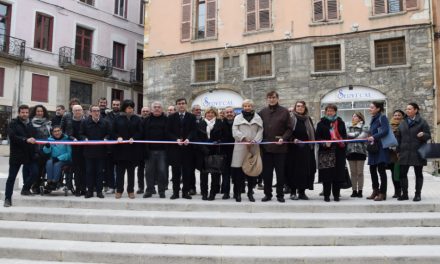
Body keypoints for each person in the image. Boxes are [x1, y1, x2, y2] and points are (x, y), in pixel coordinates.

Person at [258, 91, 293, 203]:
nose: (271, 99)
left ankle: (280, 195)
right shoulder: (262, 112)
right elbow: (258, 128)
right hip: (266, 148)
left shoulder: (284, 111)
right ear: (267, 99)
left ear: (277, 98)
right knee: (267, 174)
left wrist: (284, 138)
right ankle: (267, 194)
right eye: (269, 97)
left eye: (273, 97)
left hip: (280, 149)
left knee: (280, 173)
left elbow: (289, 128)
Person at [3, 105, 38, 207]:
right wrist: (25, 140)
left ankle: (25, 188)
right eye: (23, 112)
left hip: (29, 154)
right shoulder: (13, 123)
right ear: (19, 113)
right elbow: (12, 137)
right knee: (11, 178)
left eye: (27, 112)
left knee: (35, 172)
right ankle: (7, 199)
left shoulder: (31, 124)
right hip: (16, 155)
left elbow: (35, 138)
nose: (25, 114)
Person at [397, 103, 431, 202]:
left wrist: (423, 134)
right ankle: (405, 194)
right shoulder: (402, 122)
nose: (407, 111)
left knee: (418, 174)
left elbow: (428, 135)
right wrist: (398, 150)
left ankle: (418, 194)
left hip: (418, 152)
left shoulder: (422, 122)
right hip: (405, 152)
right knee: (402, 174)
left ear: (416, 110)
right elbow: (398, 138)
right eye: (407, 109)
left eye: (410, 109)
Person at [231, 99, 263, 202]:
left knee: (251, 172)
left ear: (252, 107)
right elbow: (235, 131)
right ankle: (237, 193)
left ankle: (250, 193)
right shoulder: (237, 118)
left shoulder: (258, 118)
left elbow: (260, 131)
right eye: (245, 106)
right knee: (238, 173)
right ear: (242, 107)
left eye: (249, 106)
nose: (247, 107)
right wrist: (244, 138)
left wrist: (255, 140)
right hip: (241, 147)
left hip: (253, 147)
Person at [316, 104, 347, 202]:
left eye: (332, 111)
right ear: (325, 112)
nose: (330, 112)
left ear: (335, 111)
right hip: (326, 152)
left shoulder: (340, 122)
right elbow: (317, 138)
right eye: (328, 111)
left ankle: (336, 195)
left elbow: (344, 136)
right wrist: (325, 143)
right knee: (326, 175)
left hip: (338, 152)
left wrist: (340, 140)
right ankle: (326, 195)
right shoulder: (321, 123)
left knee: (337, 174)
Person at [112, 100, 143, 199]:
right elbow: (113, 131)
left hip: (132, 150)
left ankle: (130, 190)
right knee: (120, 172)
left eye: (132, 107)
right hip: (120, 150)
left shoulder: (137, 119)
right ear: (124, 108)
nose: (130, 109)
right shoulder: (118, 118)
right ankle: (119, 190)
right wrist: (118, 137)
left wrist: (134, 138)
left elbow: (140, 132)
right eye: (128, 107)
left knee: (131, 172)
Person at [167, 98, 197, 199]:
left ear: (186, 105)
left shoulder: (192, 117)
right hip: (175, 149)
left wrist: (189, 139)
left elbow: (194, 130)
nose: (181, 105)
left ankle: (185, 192)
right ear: (176, 105)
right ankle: (175, 192)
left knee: (187, 172)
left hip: (187, 149)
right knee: (175, 172)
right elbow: (168, 132)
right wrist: (176, 139)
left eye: (183, 103)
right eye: (179, 104)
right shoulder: (171, 117)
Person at [80, 105, 111, 199]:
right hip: (88, 152)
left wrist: (106, 138)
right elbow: (81, 133)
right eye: (94, 111)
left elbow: (109, 134)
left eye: (98, 111)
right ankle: (89, 191)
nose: (96, 112)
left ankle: (99, 191)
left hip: (101, 152)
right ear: (90, 112)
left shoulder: (105, 122)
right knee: (89, 172)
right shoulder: (85, 122)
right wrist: (84, 138)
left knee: (99, 172)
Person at [286, 101, 316, 200]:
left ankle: (302, 192)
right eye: (298, 106)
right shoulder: (291, 118)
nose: (300, 108)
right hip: (293, 148)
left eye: (302, 106)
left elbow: (312, 132)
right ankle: (293, 192)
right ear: (295, 107)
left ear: (305, 108)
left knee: (305, 171)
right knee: (294, 171)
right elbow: (287, 131)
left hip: (306, 149)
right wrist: (293, 139)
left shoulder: (308, 119)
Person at [195, 107, 225, 201]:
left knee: (215, 175)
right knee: (203, 175)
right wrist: (204, 149)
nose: (210, 114)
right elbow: (197, 138)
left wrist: (219, 141)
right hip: (203, 152)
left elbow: (224, 136)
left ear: (215, 114)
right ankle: (204, 193)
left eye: (212, 113)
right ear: (205, 114)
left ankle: (212, 193)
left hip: (216, 152)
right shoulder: (201, 123)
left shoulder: (220, 123)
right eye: (208, 112)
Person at [142, 101, 168, 198]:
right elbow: (142, 134)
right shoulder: (146, 120)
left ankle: (161, 191)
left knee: (162, 171)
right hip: (149, 151)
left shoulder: (167, 120)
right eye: (155, 107)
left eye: (159, 107)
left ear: (162, 109)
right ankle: (149, 190)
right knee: (149, 172)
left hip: (163, 151)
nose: (157, 108)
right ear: (152, 109)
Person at [366, 101, 390, 201]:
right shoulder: (372, 119)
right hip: (373, 148)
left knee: (381, 171)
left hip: (380, 148)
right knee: (372, 170)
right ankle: (375, 190)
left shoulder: (382, 117)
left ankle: (382, 193)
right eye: (370, 107)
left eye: (372, 107)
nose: (369, 109)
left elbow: (385, 131)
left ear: (378, 109)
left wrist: (374, 137)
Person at [64, 104, 87, 196]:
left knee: (85, 170)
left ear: (82, 111)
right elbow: (68, 134)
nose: (78, 112)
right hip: (75, 149)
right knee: (77, 170)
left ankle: (84, 188)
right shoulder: (70, 122)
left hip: (85, 148)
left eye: (79, 110)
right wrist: (73, 139)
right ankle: (77, 189)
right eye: (76, 110)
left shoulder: (86, 121)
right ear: (72, 112)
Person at [30, 104, 52, 194]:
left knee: (45, 168)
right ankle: (35, 186)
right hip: (36, 150)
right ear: (35, 112)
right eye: (38, 111)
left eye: (41, 111)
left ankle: (44, 185)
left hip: (47, 149)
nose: (40, 113)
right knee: (37, 170)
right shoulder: (31, 123)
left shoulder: (48, 123)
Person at [42, 126, 72, 191]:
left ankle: (55, 182)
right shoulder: (50, 139)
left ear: (61, 131)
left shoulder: (66, 139)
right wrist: (47, 147)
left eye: (58, 131)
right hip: (53, 158)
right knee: (49, 162)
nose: (57, 133)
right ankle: (49, 182)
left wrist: (59, 158)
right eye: (55, 131)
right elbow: (47, 151)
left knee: (57, 164)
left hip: (65, 159)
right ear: (52, 133)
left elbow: (69, 154)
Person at [346, 112, 368, 198]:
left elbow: (362, 136)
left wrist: (353, 136)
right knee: (353, 173)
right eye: (353, 116)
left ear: (360, 118)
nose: (353, 117)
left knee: (360, 172)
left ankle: (360, 190)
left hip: (360, 151)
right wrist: (356, 135)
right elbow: (346, 135)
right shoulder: (348, 126)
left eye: (356, 116)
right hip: (350, 151)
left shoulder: (365, 126)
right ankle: (354, 190)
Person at [104, 99, 120, 194]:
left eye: (117, 104)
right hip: (109, 147)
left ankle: (118, 186)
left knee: (119, 169)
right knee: (109, 168)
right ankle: (111, 186)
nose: (115, 106)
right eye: (114, 104)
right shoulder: (107, 117)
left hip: (119, 147)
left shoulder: (123, 116)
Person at [388, 110, 405, 198]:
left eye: (399, 115)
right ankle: (397, 191)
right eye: (395, 115)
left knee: (401, 173)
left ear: (402, 116)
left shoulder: (405, 126)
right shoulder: (389, 126)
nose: (397, 116)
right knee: (393, 173)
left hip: (401, 153)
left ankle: (402, 191)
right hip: (391, 154)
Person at [220, 106, 235, 199]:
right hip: (225, 152)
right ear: (224, 114)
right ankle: (226, 192)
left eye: (231, 112)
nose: (229, 114)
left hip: (237, 151)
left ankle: (237, 192)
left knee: (236, 173)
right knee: (225, 174)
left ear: (234, 113)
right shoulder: (221, 124)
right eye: (227, 112)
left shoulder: (238, 123)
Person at [189, 104, 203, 195]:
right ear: (192, 111)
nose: (198, 111)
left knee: (203, 170)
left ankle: (203, 188)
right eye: (196, 110)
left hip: (201, 149)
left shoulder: (204, 120)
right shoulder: (189, 120)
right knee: (190, 170)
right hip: (190, 149)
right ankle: (191, 188)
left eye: (199, 110)